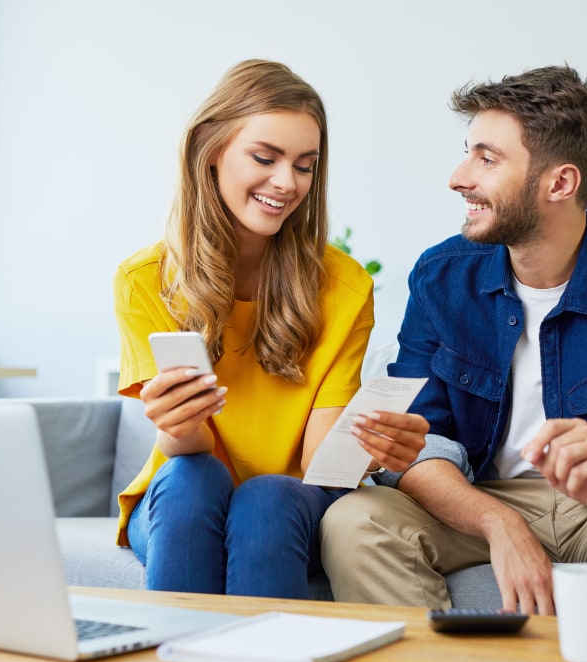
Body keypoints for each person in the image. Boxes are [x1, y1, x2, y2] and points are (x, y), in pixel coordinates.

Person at [321, 65, 587, 624]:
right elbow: (423, 442)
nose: (458, 177)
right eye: (468, 153)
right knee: (355, 520)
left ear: (560, 183)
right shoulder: (440, 276)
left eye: (487, 158)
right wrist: (498, 523)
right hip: (484, 496)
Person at [112, 59, 427, 599]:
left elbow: (318, 464)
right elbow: (186, 450)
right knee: (195, 481)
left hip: (288, 501)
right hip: (185, 487)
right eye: (265, 157)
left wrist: (374, 448)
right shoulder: (145, 281)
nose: (287, 182)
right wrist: (174, 421)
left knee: (266, 498)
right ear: (210, 150)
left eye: (305, 165)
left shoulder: (344, 286)